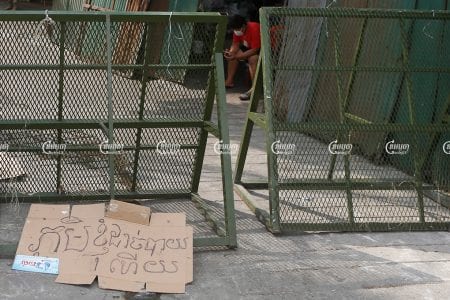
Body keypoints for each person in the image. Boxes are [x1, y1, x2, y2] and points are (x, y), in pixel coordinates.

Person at [224, 15, 261, 101]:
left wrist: (236, 56)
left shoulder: (254, 28)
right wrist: (231, 52)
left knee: (253, 59)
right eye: (235, 30)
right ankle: (229, 81)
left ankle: (253, 89)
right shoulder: (237, 30)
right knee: (232, 54)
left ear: (243, 26)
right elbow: (235, 44)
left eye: (237, 29)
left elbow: (255, 50)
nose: (236, 32)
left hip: (258, 50)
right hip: (248, 47)